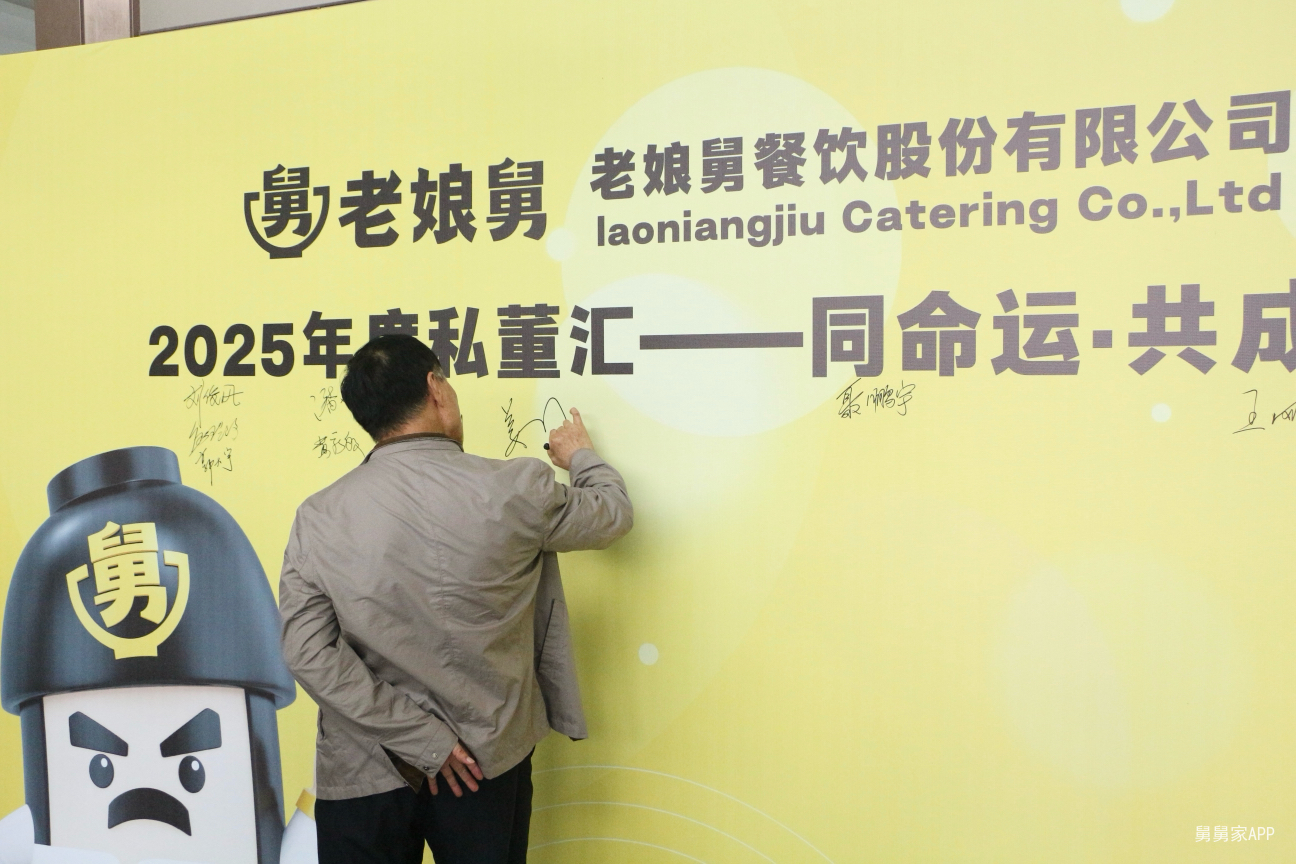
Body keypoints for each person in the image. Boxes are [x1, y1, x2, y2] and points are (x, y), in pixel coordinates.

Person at [278, 334, 633, 864]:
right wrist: (579, 455)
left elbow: (307, 653)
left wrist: (423, 738)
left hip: (365, 767)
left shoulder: (319, 515)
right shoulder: (516, 487)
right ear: (436, 388)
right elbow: (611, 514)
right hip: (484, 762)